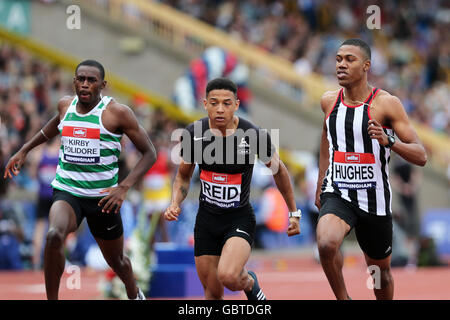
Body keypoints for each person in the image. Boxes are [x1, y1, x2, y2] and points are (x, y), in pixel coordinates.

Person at [3, 59, 157, 300]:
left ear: (102, 85)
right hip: (68, 191)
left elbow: (150, 154)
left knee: (117, 261)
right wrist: (25, 149)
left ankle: (133, 291)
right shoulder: (66, 105)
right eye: (80, 79)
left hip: (103, 199)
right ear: (74, 81)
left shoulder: (117, 113)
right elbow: (54, 125)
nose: (85, 85)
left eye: (91, 80)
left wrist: (123, 188)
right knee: (54, 235)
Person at [164, 77, 301, 300]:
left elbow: (280, 172)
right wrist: (174, 203)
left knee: (228, 276)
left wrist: (294, 212)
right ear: (205, 103)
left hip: (238, 218)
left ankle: (249, 281)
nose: (220, 109)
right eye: (214, 102)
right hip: (207, 220)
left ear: (236, 105)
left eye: (227, 103)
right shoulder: (194, 133)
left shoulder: (253, 135)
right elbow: (183, 175)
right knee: (212, 293)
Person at [315, 39, 427, 300]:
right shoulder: (328, 101)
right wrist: (322, 180)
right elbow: (325, 135)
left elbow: (421, 155)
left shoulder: (386, 104)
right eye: (338, 59)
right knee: (326, 242)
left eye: (349, 60)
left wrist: (389, 141)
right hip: (338, 191)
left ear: (366, 66)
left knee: (380, 272)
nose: (341, 64)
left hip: (374, 199)